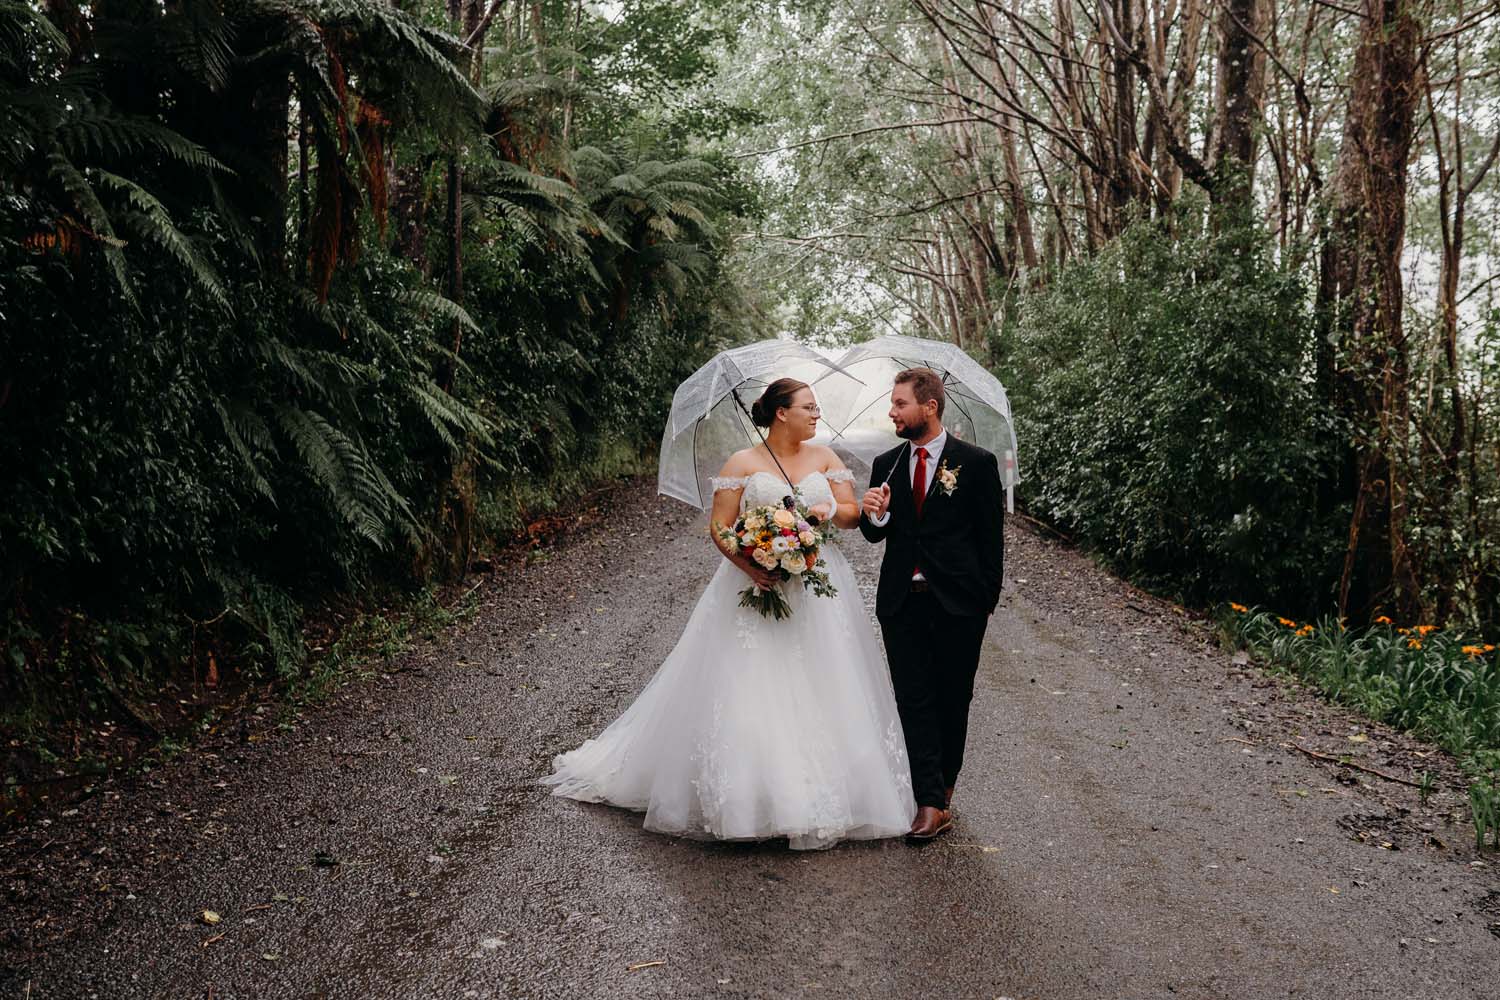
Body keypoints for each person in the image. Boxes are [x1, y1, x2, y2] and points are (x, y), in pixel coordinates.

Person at [542, 378, 915, 849]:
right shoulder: (742, 463)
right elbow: (719, 527)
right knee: (750, 683)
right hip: (754, 580)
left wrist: (823, 513)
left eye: (817, 408)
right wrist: (752, 564)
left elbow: (849, 513)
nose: (817, 414)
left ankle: (822, 793)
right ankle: (748, 801)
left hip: (819, 584)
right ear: (782, 413)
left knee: (827, 680)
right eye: (809, 407)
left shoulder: (825, 458)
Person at [859, 367, 1005, 840]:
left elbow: (991, 539)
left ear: (930, 407)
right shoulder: (887, 464)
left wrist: (986, 600)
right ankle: (929, 801)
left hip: (959, 604)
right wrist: (876, 515)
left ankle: (943, 787)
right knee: (912, 698)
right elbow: (873, 533)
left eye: (900, 404)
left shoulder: (977, 463)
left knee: (952, 698)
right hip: (902, 601)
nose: (892, 411)